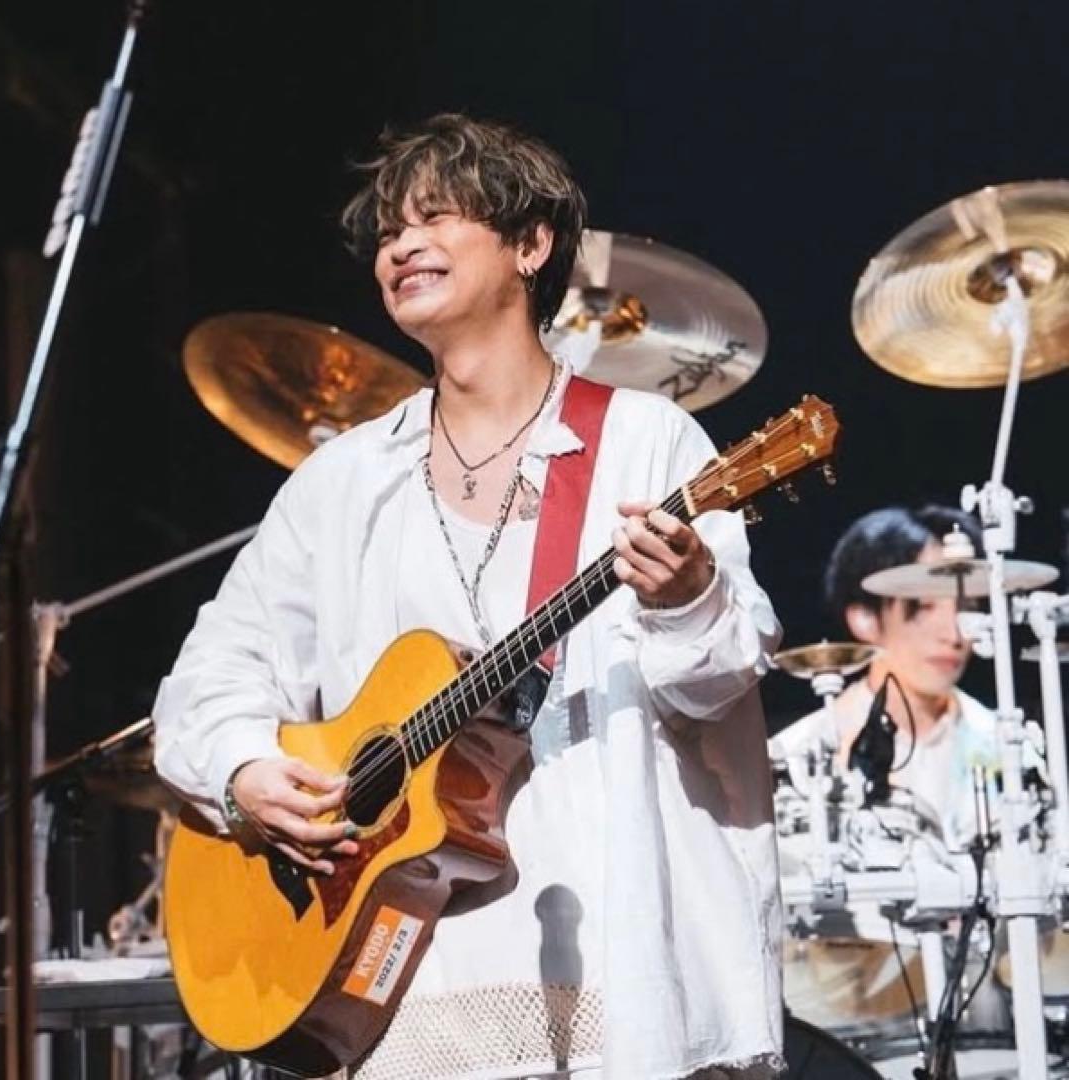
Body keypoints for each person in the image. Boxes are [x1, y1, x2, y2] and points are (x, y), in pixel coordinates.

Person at [153, 113, 783, 1080]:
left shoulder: (644, 442)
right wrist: (243, 769)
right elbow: (213, 670)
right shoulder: (345, 480)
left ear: (530, 244)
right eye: (389, 233)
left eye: (436, 217)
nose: (401, 246)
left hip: (609, 958)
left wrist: (687, 596)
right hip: (414, 983)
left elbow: (718, 684)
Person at [772, 504, 996, 853]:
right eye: (924, 607)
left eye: (967, 608)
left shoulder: (1005, 741)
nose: (954, 634)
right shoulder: (801, 755)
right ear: (865, 617)